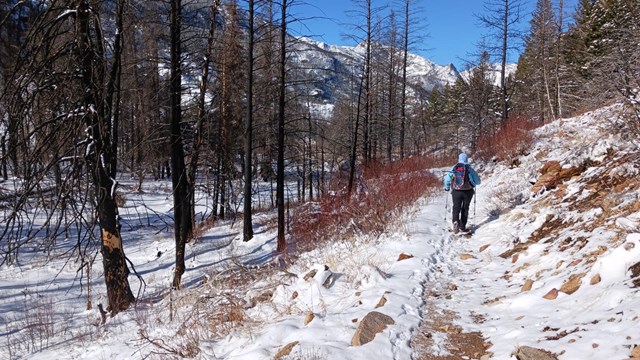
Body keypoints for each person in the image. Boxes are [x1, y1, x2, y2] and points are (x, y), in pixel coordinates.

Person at [443, 153, 481, 234]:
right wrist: (473, 183)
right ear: (467, 159)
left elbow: (447, 179)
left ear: (459, 159)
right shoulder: (469, 169)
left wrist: (447, 187)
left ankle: (455, 222)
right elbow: (478, 181)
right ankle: (462, 227)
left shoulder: (454, 168)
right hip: (468, 192)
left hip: (456, 191)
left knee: (456, 207)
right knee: (465, 208)